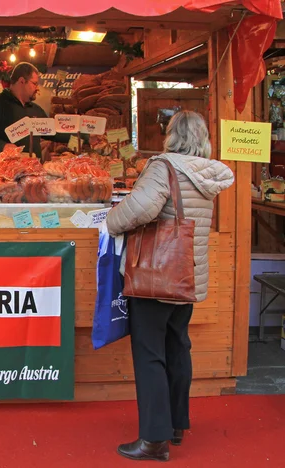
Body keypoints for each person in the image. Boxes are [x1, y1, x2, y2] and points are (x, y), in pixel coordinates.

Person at [105, 111, 234, 462]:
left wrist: (111, 221)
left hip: (156, 273)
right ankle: (176, 425)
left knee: (150, 354)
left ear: (171, 135)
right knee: (178, 346)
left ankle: (153, 438)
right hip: (187, 274)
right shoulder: (207, 173)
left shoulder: (164, 166)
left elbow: (142, 209)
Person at [0, 62, 61, 160]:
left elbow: (53, 132)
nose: (37, 88)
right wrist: (2, 146)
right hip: (2, 171)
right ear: (22, 81)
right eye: (35, 83)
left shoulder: (36, 110)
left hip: (33, 172)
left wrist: (75, 133)